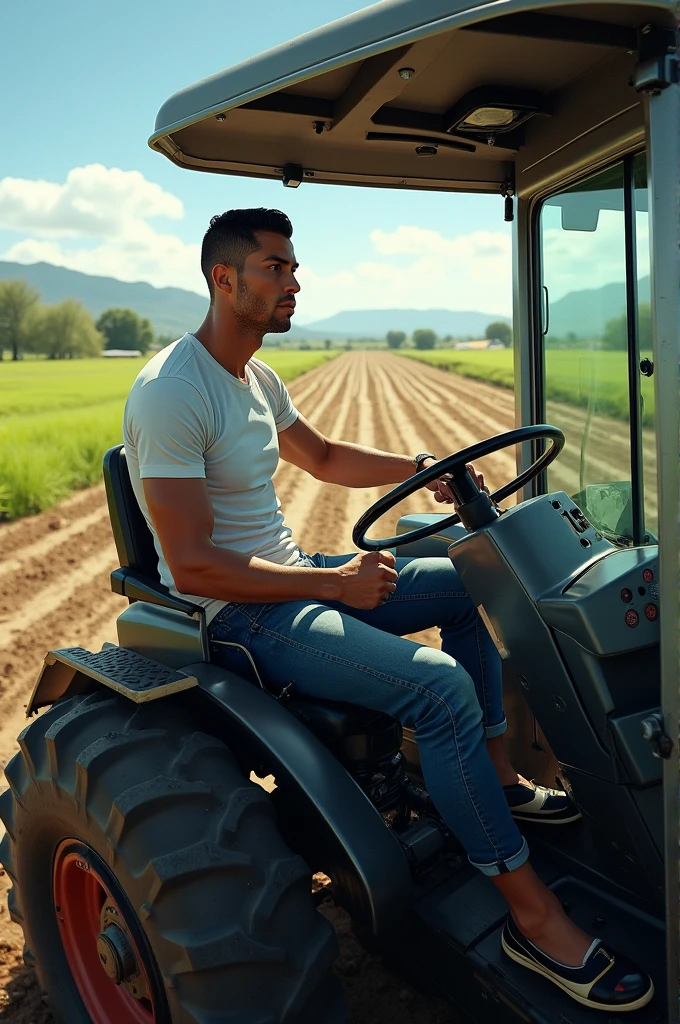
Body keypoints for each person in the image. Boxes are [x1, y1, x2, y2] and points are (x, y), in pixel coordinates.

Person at [123, 208, 653, 1012]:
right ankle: (532, 919)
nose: (293, 281)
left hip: (295, 576)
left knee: (480, 575)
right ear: (223, 279)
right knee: (437, 689)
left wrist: (420, 464)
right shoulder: (171, 391)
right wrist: (332, 586)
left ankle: (499, 780)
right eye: (275, 268)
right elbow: (195, 563)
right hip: (238, 617)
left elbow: (326, 458)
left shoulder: (257, 378)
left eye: (293, 267)